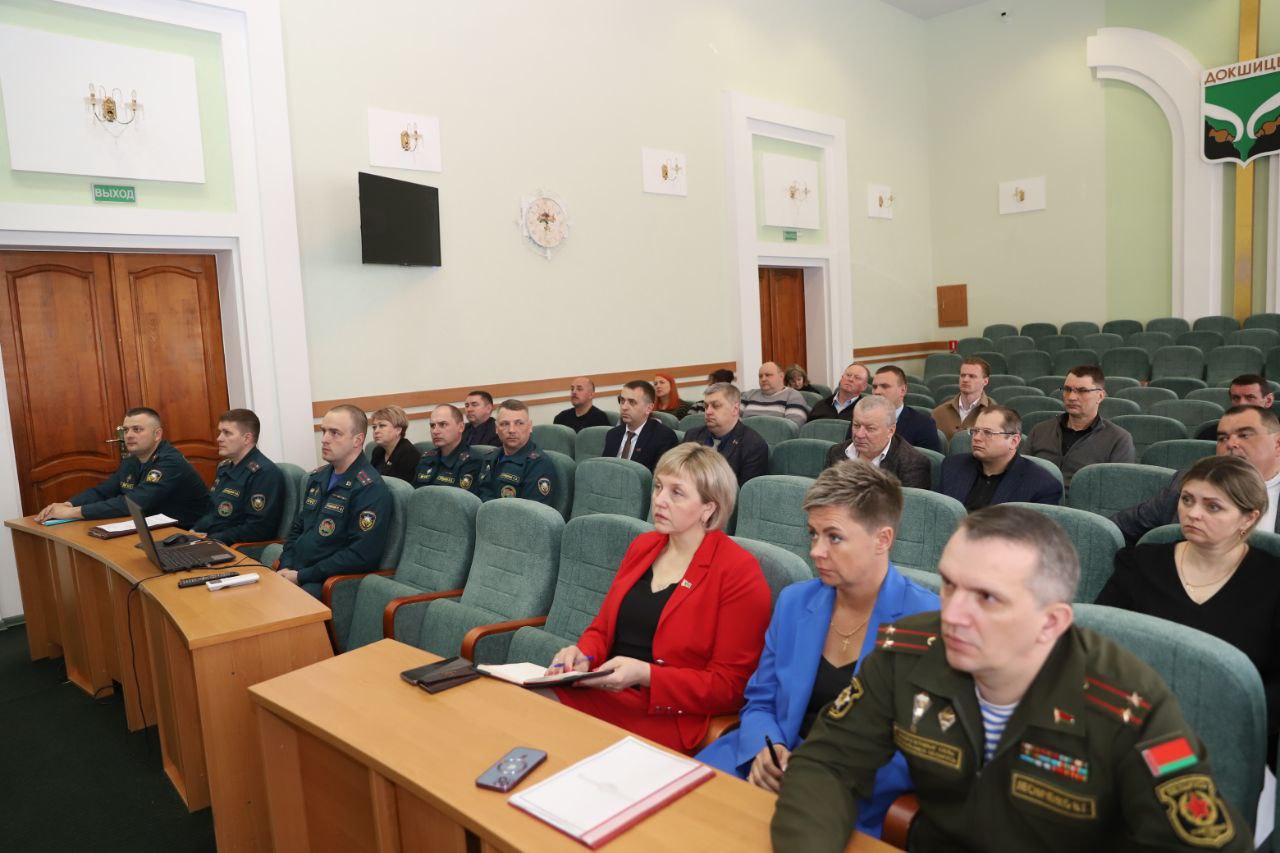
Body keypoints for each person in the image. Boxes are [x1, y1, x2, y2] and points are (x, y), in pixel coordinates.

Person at [772, 505, 1249, 852]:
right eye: (950, 584)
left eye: (987, 598)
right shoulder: (906, 652)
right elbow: (828, 764)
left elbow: (1202, 845)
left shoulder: (1129, 705)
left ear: (1050, 622)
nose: (951, 614)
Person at [696, 461, 938, 838]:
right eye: (813, 534)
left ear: (883, 539)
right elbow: (760, 700)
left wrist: (816, 773)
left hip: (850, 794)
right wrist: (766, 747)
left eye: (834, 537)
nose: (816, 551)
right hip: (763, 768)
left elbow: (921, 749)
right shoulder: (795, 602)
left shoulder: (924, 621)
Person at [546, 444, 772, 753]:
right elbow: (602, 629)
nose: (659, 500)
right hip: (604, 694)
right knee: (519, 707)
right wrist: (583, 656)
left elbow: (731, 686)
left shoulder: (738, 571)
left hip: (664, 717)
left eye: (676, 493)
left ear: (708, 508)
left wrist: (647, 675)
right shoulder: (643, 546)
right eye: (658, 487)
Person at [1097, 455, 1279, 762]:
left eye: (1213, 507)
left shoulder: (1273, 581)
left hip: (1230, 738)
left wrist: (1226, 724)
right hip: (1132, 723)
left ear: (1249, 518)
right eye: (1187, 499)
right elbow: (1098, 644)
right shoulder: (1141, 562)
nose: (1192, 513)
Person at [1111, 405, 1280, 545]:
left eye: (1244, 435)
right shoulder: (1185, 485)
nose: (1230, 444)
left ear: (1278, 443)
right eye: (1223, 438)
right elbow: (1117, 528)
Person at [277, 405, 393, 597]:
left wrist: (301, 576)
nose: (324, 439)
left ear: (357, 440)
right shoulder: (318, 477)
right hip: (297, 571)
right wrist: (286, 565)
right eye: (324, 431)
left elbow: (361, 555)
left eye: (335, 433)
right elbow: (298, 529)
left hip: (328, 582)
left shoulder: (369, 488)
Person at [34, 407, 211, 528]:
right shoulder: (132, 460)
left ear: (157, 434)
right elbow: (103, 491)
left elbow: (134, 503)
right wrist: (68, 504)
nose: (129, 435)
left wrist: (72, 512)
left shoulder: (170, 462)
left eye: (137, 429)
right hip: (154, 529)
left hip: (188, 532)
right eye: (126, 430)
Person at [1024, 364, 1135, 488]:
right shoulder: (1040, 430)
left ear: (1100, 396)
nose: (1071, 397)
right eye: (1067, 389)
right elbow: (1020, 475)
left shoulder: (1119, 439)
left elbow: (1118, 490)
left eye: (1082, 391)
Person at [188, 409, 285, 544]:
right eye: (220, 432)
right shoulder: (224, 467)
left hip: (235, 547)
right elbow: (212, 512)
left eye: (227, 433)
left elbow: (258, 529)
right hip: (209, 540)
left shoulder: (264, 473)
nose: (219, 438)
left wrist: (212, 540)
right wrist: (194, 531)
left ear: (246, 438)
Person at [939, 407, 1062, 510]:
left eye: (988, 433)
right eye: (975, 431)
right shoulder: (952, 466)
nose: (976, 438)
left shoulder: (1042, 485)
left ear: (1014, 441)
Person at [823, 396, 929, 490]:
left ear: (890, 431)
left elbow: (910, 506)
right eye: (856, 425)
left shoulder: (912, 464)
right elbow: (825, 497)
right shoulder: (836, 452)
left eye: (870, 428)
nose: (859, 434)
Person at [681, 383, 769, 486]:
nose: (708, 412)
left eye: (716, 406)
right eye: (706, 406)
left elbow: (747, 491)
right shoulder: (692, 436)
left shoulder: (753, 445)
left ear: (735, 409)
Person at [473, 399, 557, 505]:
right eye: (505, 424)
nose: (511, 430)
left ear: (530, 426)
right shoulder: (490, 457)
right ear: (496, 428)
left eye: (519, 423)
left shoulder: (539, 464)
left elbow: (531, 511)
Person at [602, 380, 680, 472]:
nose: (624, 407)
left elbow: (660, 477)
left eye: (632, 402)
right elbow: (603, 469)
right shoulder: (613, 434)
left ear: (649, 408)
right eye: (622, 401)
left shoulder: (664, 437)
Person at [414, 404, 486, 490]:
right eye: (432, 426)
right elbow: (415, 493)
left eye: (443, 424)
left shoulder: (472, 461)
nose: (435, 431)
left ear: (461, 427)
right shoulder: (426, 458)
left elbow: (460, 497)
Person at [872, 365, 941, 452]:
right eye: (874, 387)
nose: (877, 392)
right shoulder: (862, 419)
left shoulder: (924, 425)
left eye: (885, 386)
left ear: (903, 390)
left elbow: (926, 459)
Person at [1194, 374, 1276, 439]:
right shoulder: (1211, 434)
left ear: (1268, 401)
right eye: (1236, 398)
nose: (1241, 403)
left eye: (1250, 397)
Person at [932, 356, 994, 440]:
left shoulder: (995, 414)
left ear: (985, 381)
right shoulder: (939, 413)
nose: (965, 379)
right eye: (962, 375)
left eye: (972, 376)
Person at [742, 361, 809, 426]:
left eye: (768, 375)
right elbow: (735, 421)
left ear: (781, 376)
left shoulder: (794, 396)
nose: (763, 379)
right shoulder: (748, 395)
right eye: (760, 376)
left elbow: (792, 428)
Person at [369, 405, 419, 483]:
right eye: (374, 427)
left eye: (382, 426)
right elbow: (370, 478)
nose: (376, 431)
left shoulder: (409, 453)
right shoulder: (377, 451)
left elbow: (402, 488)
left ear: (398, 430)